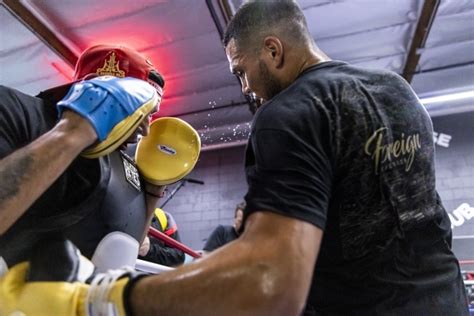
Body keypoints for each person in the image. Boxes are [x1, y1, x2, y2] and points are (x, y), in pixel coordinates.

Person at [0, 1, 469, 315]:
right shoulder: (397, 91)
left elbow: (270, 283)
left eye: (241, 71)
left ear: (273, 49)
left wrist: (102, 298)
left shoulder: (291, 111)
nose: (244, 88)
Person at [0, 44, 167, 267]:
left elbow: (127, 250)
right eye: (136, 108)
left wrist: (155, 189)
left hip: (89, 299)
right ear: (98, 92)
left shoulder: (126, 164)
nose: (146, 128)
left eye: (149, 114)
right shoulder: (18, 111)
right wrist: (73, 133)